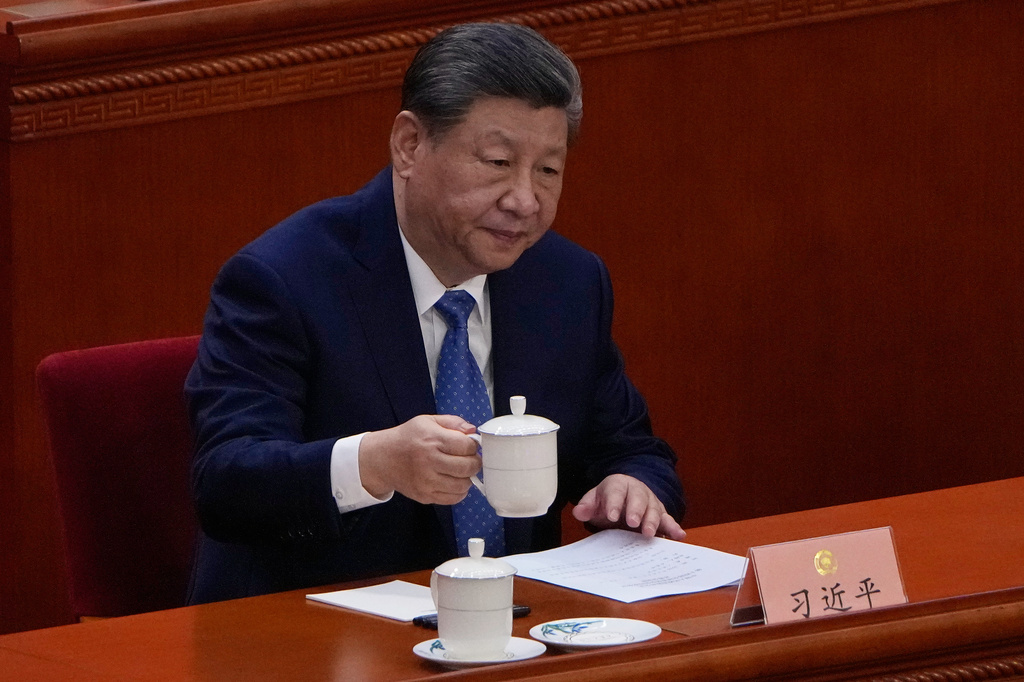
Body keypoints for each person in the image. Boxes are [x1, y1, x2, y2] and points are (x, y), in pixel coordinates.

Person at [185, 22, 685, 604]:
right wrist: (374, 464)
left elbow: (630, 448)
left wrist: (632, 486)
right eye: (497, 161)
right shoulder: (284, 279)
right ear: (410, 145)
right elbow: (227, 482)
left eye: (548, 170)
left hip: (513, 634)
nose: (525, 199)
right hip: (314, 631)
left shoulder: (566, 282)